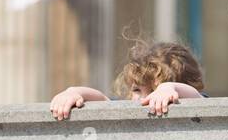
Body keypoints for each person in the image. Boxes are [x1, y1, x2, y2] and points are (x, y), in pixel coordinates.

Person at [50, 39, 206, 119]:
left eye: (153, 90)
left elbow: (199, 100)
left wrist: (170, 89)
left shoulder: (191, 101)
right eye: (137, 90)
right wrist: (74, 92)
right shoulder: (131, 108)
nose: (144, 99)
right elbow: (103, 100)